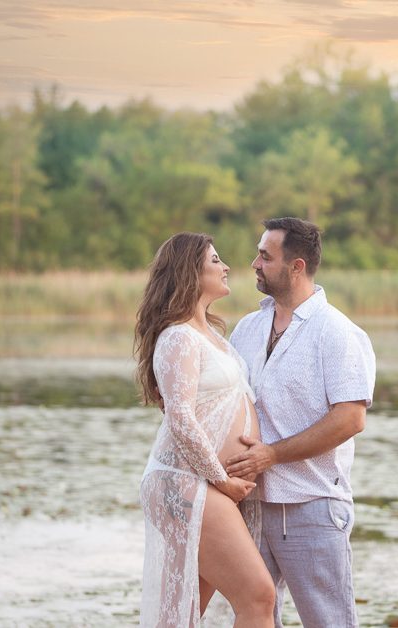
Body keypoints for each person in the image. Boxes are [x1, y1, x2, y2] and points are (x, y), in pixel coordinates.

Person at [226, 217, 376, 628]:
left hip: (312, 505)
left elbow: (350, 419)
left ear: (296, 266)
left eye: (265, 256)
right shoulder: (247, 328)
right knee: (252, 617)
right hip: (249, 505)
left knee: (328, 622)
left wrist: (271, 455)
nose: (254, 263)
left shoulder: (337, 332)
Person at [134, 232, 275, 628]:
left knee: (180, 614)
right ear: (190, 273)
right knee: (258, 597)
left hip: (204, 483)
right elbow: (179, 417)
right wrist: (222, 480)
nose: (227, 266)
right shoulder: (178, 336)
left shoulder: (211, 336)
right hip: (188, 480)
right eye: (216, 261)